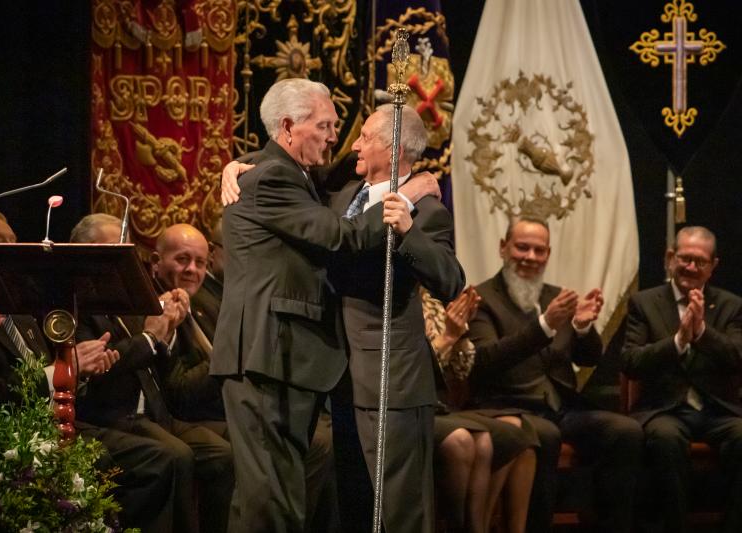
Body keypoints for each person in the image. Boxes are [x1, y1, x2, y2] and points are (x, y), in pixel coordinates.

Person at [211, 78, 431, 533]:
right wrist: (409, 194)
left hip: (280, 360)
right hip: (266, 356)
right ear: (289, 127)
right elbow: (342, 236)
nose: (337, 137)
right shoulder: (273, 178)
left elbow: (313, 182)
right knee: (272, 502)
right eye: (326, 125)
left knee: (264, 497)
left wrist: (239, 160)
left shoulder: (284, 173)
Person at [0, 212, 180, 533]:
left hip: (51, 416)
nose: (11, 251)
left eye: (14, 242)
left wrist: (77, 369)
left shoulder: (14, 300)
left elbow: (49, 368)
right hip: (3, 428)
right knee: (113, 460)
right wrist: (64, 370)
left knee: (159, 458)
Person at [324, 104, 463, 533]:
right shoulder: (344, 194)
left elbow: (451, 280)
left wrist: (408, 231)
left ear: (395, 147)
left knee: (399, 508)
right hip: (336, 374)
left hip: (391, 379)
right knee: (351, 500)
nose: (356, 145)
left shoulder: (428, 212)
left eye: (365, 136)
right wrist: (237, 166)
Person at [468, 215, 643, 533]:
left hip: (560, 407)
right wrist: (545, 325)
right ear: (503, 248)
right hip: (509, 408)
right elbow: (485, 360)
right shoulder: (482, 299)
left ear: (548, 254)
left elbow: (588, 358)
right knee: (545, 435)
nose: (530, 258)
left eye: (539, 250)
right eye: (522, 248)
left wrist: (582, 326)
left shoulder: (556, 297)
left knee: (625, 431)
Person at [71, 213, 232, 533]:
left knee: (224, 453)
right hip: (114, 415)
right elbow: (104, 364)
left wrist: (161, 334)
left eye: (125, 249)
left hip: (157, 412)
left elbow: (161, 362)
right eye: (113, 249)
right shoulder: (76, 302)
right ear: (85, 253)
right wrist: (151, 337)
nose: (122, 259)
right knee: (176, 456)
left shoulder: (128, 296)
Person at [622, 226, 742, 533]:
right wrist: (677, 340)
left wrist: (701, 333)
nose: (691, 267)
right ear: (670, 257)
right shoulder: (643, 303)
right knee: (665, 438)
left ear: (713, 266)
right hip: (664, 409)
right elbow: (631, 362)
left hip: (717, 410)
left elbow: (736, 357)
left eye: (700, 261)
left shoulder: (731, 305)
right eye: (685, 258)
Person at [423, 286, 536, 533]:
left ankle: (479, 526)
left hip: (440, 405)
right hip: (408, 405)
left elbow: (461, 371)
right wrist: (448, 337)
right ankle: (460, 526)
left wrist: (461, 334)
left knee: (514, 428)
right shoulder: (394, 303)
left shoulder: (432, 301)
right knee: (470, 440)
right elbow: (415, 372)